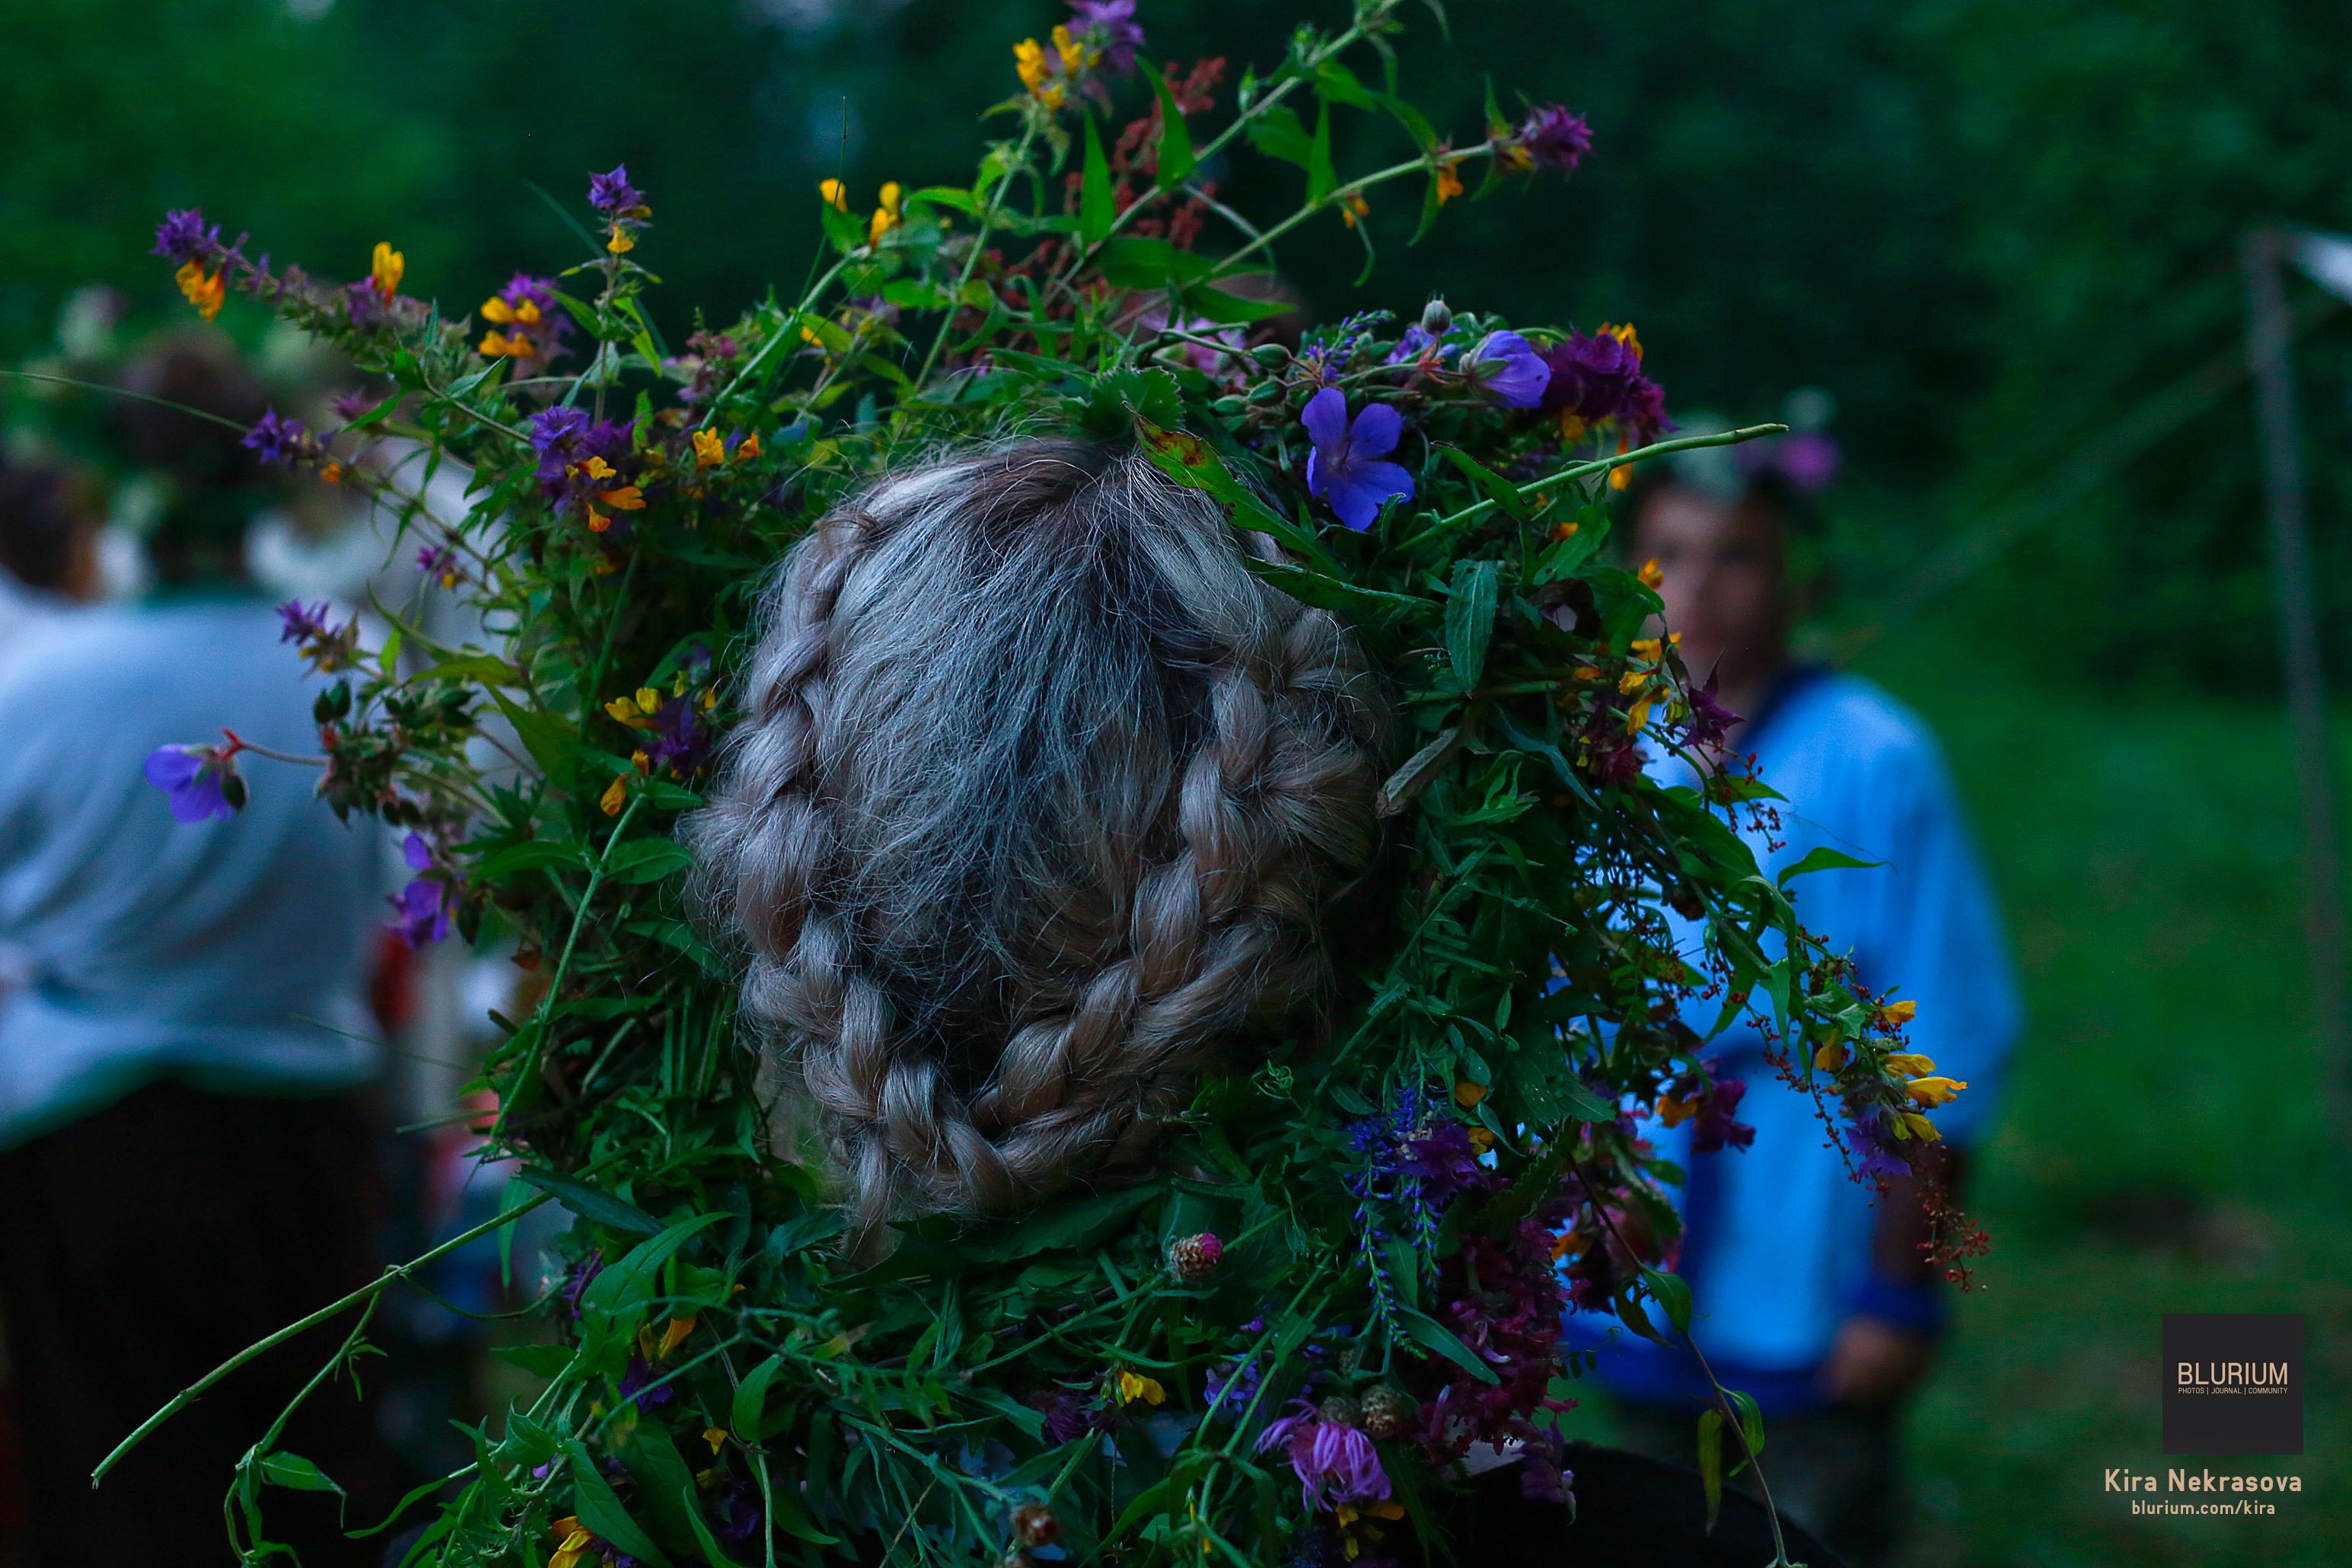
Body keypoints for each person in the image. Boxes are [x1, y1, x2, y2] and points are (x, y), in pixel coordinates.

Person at [1571, 467, 2021, 1566]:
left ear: (1794, 577)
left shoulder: (1873, 754)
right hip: (1640, 1191)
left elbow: (1942, 1035)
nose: (1697, 586)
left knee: (1814, 1522)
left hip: (1814, 1191)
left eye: (1735, 554)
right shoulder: (1594, 745)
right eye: (1668, 554)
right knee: (1652, 1514)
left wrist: (1895, 1296)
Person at [0, 333, 392, 1563]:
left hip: (91, 1142)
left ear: (111, 486)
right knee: (302, 1485)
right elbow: (401, 900)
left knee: (113, 1485)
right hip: (307, 1133)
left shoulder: (43, 686)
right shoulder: (352, 674)